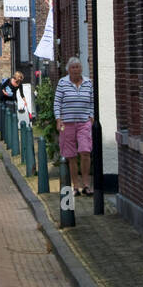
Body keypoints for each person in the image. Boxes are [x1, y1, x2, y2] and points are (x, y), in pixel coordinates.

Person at [54, 57, 94, 195]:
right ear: (68, 70)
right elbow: (57, 102)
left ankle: (86, 184)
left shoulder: (88, 83)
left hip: (84, 122)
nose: (76, 69)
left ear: (81, 69)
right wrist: (58, 119)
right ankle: (75, 186)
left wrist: (92, 116)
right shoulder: (62, 83)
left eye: (78, 67)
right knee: (70, 155)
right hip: (67, 123)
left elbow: (92, 101)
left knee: (85, 151)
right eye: (73, 67)